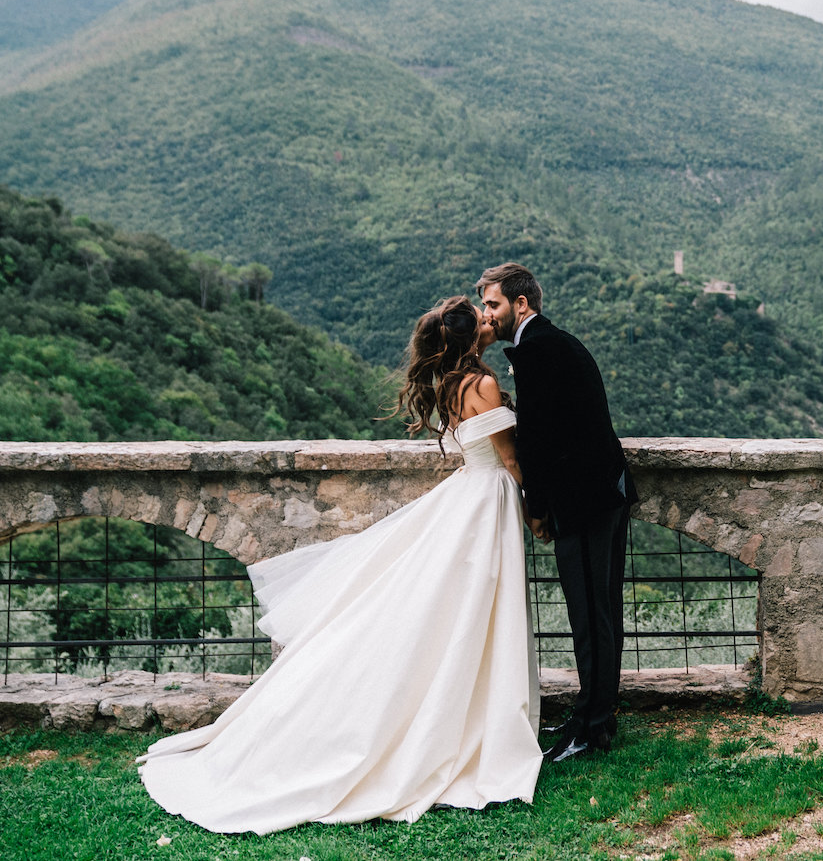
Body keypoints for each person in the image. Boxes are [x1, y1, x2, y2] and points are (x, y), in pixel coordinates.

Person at [137, 296, 542, 834]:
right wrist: (535, 510)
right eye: (484, 322)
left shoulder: (448, 385)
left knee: (454, 609)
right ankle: (477, 719)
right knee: (478, 608)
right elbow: (510, 458)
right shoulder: (482, 386)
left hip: (467, 495)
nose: (491, 324)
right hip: (487, 499)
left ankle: (467, 710)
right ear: (471, 339)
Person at [477, 262, 636, 763]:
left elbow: (539, 443)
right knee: (599, 611)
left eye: (494, 304)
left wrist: (536, 508)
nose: (488, 314)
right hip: (600, 493)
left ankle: (593, 728)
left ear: (521, 305)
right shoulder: (552, 343)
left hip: (583, 502)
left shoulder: (538, 351)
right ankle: (595, 714)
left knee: (591, 615)